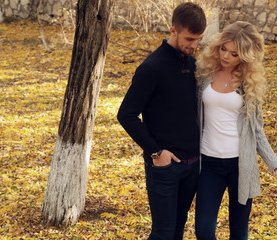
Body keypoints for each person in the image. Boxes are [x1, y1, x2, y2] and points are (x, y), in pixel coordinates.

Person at [117, 2, 206, 239]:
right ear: (173, 30)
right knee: (163, 233)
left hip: (192, 164)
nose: (194, 45)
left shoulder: (194, 64)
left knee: (178, 228)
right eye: (189, 39)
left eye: (198, 40)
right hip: (165, 167)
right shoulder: (151, 68)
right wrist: (156, 152)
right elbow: (125, 114)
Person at [194, 21, 277, 240]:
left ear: (245, 57)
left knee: (239, 232)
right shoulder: (204, 75)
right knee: (204, 231)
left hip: (241, 165)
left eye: (234, 54)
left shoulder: (249, 85)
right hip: (209, 164)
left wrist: (272, 161)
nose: (225, 56)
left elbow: (257, 130)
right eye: (223, 49)